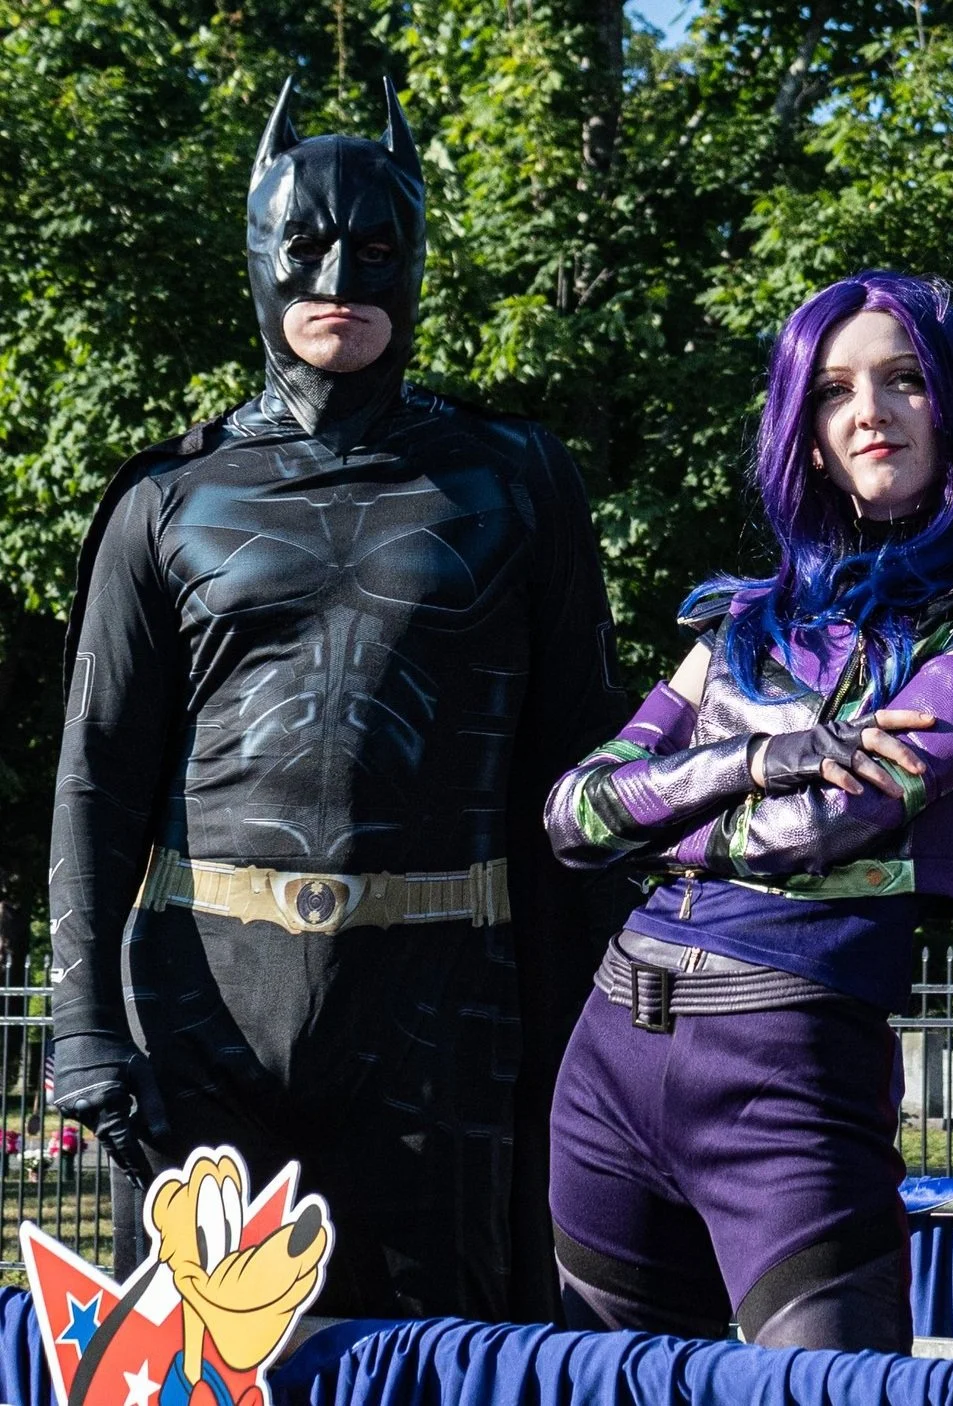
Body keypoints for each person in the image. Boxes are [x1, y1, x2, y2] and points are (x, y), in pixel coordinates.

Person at [45, 77, 626, 1319]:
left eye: (374, 246)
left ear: (416, 259)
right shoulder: (168, 498)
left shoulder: (516, 479)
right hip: (205, 1018)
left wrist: (596, 1033)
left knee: (449, 1352)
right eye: (303, 245)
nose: (337, 276)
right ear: (258, 256)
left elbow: (579, 767)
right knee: (206, 1363)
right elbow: (96, 776)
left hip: (446, 1007)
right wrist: (84, 1022)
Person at [540, 271, 953, 1351]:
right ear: (806, 433)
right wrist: (771, 753)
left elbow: (831, 825)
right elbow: (571, 813)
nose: (868, 409)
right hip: (604, 1064)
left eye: (904, 379)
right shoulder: (742, 623)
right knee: (608, 1388)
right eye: (833, 390)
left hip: (785, 1063)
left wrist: (676, 802)